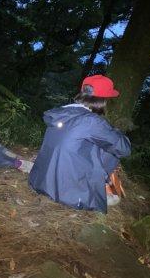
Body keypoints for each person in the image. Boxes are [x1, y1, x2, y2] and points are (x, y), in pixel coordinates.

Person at [28, 75, 131, 214]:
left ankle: (99, 185)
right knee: (112, 148)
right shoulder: (92, 121)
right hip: (67, 193)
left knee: (93, 142)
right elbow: (124, 149)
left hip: (40, 181)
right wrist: (115, 132)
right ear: (102, 100)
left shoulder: (62, 112)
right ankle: (104, 189)